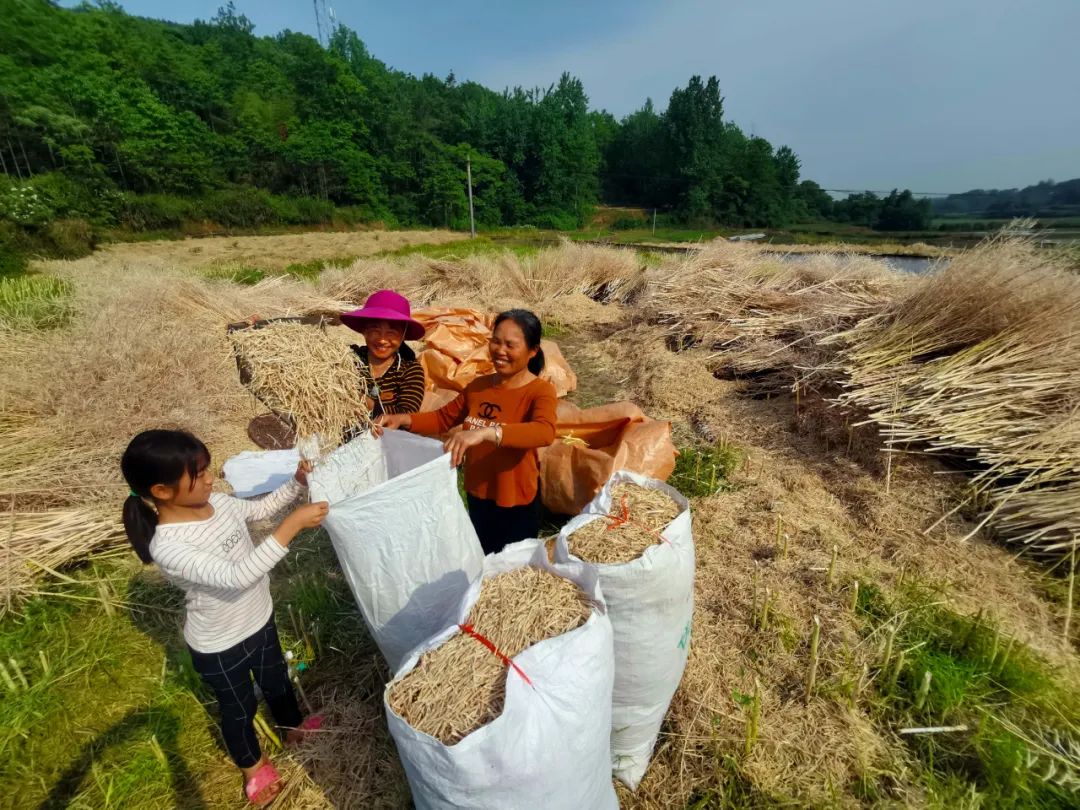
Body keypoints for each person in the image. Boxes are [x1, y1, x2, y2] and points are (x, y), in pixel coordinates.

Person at [121, 429, 329, 807]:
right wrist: (293, 525)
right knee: (238, 710)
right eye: (197, 474)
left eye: (206, 468)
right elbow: (237, 576)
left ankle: (292, 728)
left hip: (259, 619)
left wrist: (295, 484)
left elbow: (261, 509)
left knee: (277, 681)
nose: (210, 477)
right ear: (162, 491)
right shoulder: (169, 546)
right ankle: (253, 767)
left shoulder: (218, 502)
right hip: (220, 646)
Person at [376, 309, 557, 554]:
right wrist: (403, 419)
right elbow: (442, 419)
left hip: (516, 499)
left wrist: (487, 433)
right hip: (478, 492)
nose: (500, 351)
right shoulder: (479, 387)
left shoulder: (539, 391)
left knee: (511, 568)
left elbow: (543, 432)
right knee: (480, 558)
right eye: (496, 341)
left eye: (510, 345)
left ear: (532, 351)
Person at [340, 290, 427, 419]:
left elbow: (407, 414)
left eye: (392, 332)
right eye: (375, 330)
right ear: (364, 331)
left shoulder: (410, 370)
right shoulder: (349, 358)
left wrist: (362, 401)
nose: (382, 340)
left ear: (403, 335)